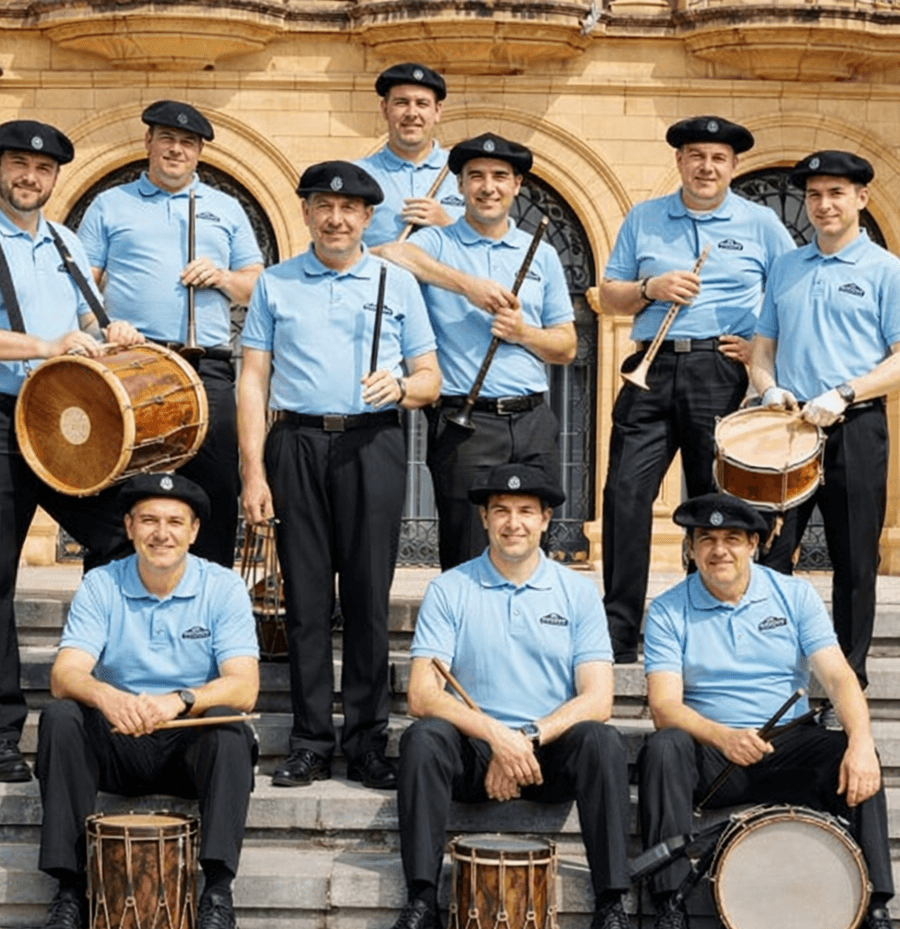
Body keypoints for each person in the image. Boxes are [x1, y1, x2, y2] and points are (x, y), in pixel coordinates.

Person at [0, 120, 143, 784]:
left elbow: (81, 322)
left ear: (54, 180)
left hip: (51, 413)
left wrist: (109, 330)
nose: (30, 178)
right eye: (19, 165)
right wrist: (49, 345)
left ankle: (91, 681)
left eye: (42, 170)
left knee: (120, 534)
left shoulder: (65, 241)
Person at [374, 463, 643, 929]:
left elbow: (598, 697)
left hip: (548, 751)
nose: (512, 522)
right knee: (422, 738)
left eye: (525, 512)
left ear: (545, 520)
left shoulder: (578, 593)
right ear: (484, 519)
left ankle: (611, 906)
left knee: (602, 741)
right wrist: (497, 737)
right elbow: (423, 694)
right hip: (476, 750)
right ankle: (421, 903)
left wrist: (526, 738)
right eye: (501, 511)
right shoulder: (450, 589)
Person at [238, 161, 441, 790]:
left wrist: (403, 386)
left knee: (366, 598)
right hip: (295, 441)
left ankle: (367, 740)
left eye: (350, 209)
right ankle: (308, 741)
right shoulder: (273, 283)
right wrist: (253, 472)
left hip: (372, 442)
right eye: (324, 207)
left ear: (366, 218)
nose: (336, 218)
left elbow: (431, 379)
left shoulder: (395, 283)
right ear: (305, 214)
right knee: (302, 601)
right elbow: (252, 379)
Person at [636, 492, 900, 929]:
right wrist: (721, 736)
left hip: (786, 744)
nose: (720, 550)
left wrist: (863, 743)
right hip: (711, 750)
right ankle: (669, 908)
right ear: (691, 549)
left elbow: (839, 677)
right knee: (663, 746)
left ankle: (874, 912)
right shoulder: (668, 609)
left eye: (732, 539)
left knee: (851, 752)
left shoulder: (793, 595)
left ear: (754, 544)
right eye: (707, 540)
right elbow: (664, 705)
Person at [33, 472, 260, 929]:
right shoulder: (101, 584)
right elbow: (65, 673)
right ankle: (70, 894)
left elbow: (244, 686)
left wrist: (178, 699)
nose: (163, 533)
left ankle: (217, 894)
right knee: (61, 717)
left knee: (230, 729)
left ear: (194, 531)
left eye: (176, 522)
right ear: (130, 527)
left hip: (185, 742)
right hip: (119, 735)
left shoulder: (221, 587)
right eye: (150, 521)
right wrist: (107, 696)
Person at [599, 115, 795, 663]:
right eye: (695, 156)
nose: (706, 167)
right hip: (652, 365)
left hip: (720, 372)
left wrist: (758, 350)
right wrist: (649, 287)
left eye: (718, 158)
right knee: (625, 495)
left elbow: (790, 294)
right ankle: (619, 633)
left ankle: (706, 624)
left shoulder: (761, 223)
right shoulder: (644, 218)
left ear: (733, 167)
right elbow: (609, 294)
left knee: (719, 503)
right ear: (680, 161)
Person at [77, 100, 265, 567]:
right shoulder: (110, 204)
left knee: (215, 492)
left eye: (187, 144)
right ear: (148, 143)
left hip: (208, 370)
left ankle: (207, 616)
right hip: (131, 365)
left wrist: (222, 277)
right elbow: (80, 290)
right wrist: (102, 327)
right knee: (120, 491)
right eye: (167, 140)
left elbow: (258, 286)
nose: (176, 150)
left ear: (199, 153)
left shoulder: (226, 208)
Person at [379, 133, 577, 570]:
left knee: (528, 548)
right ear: (460, 187)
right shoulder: (437, 244)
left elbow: (566, 345)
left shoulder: (540, 253)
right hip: (465, 421)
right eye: (476, 177)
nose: (488, 187)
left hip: (533, 420)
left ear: (517, 185)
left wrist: (524, 332)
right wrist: (467, 285)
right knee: (466, 545)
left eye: (500, 177)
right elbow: (386, 253)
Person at [750, 150, 900, 691]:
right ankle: (770, 674)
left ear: (861, 198)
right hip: (788, 430)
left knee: (854, 558)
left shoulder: (886, 271)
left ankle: (848, 680)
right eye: (814, 194)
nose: (823, 204)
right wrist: (769, 389)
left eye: (836, 193)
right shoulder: (786, 267)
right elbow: (762, 348)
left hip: (855, 426)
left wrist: (844, 392)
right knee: (770, 550)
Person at [355, 62, 463, 248]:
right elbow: (337, 254)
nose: (412, 113)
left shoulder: (465, 172)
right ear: (384, 108)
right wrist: (385, 254)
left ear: (437, 111)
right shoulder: (357, 175)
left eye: (422, 104)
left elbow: (486, 252)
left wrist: (447, 225)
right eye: (401, 103)